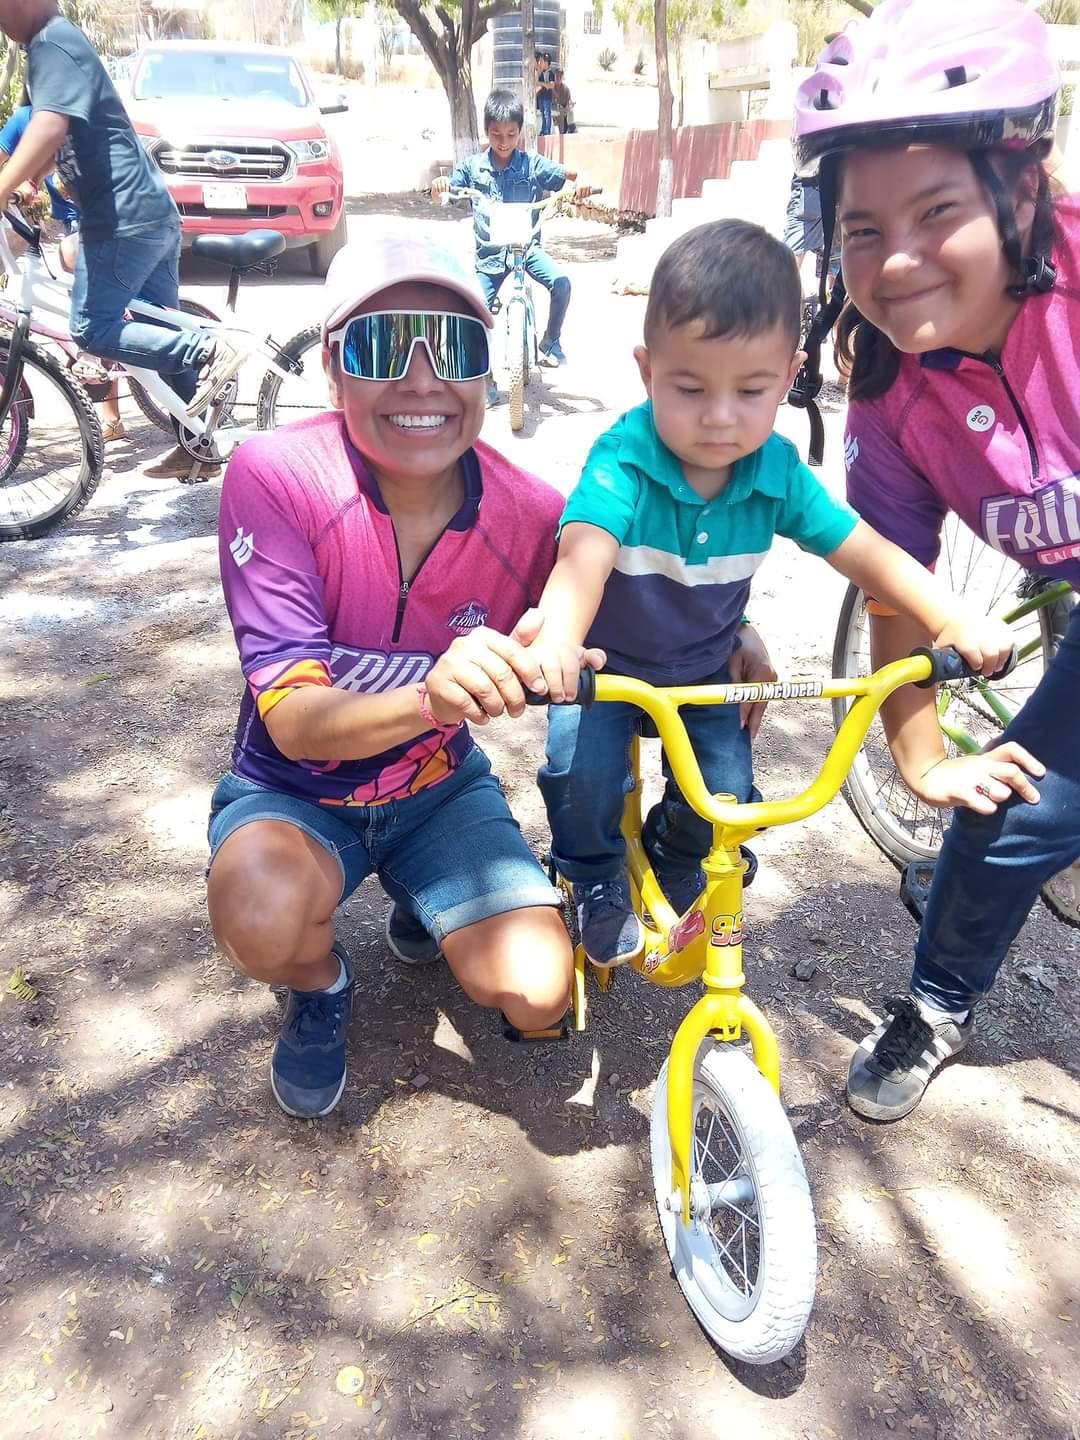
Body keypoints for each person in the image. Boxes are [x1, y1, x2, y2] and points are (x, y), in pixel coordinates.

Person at [523, 218, 1014, 968]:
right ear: (647, 369)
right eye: (689, 388)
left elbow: (869, 554)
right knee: (576, 773)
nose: (720, 417)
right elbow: (581, 560)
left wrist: (949, 617)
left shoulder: (776, 472)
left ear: (789, 376)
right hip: (606, 669)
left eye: (751, 390)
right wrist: (558, 641)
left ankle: (671, 847)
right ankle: (592, 878)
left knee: (730, 794)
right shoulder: (623, 461)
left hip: (703, 671)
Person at [205, 224, 598, 1120]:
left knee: (540, 989)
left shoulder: (535, 511)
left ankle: (424, 900)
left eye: (454, 344)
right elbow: (296, 721)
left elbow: (616, 583)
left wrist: (732, 631)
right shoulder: (276, 475)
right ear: (333, 368)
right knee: (262, 917)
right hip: (294, 791)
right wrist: (429, 696)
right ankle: (321, 985)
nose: (422, 379)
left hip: (436, 790)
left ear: (485, 371)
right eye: (384, 346)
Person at [792, 0, 1080, 1122]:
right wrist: (916, 757)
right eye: (861, 228)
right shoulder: (891, 389)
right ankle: (937, 1004)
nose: (896, 260)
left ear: (1023, 193)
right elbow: (894, 585)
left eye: (938, 211)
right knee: (1013, 814)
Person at [0, 0, 239, 479]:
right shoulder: (50, 46)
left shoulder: (52, 42)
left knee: (92, 328)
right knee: (161, 335)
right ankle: (201, 444)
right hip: (149, 214)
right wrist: (32, 179)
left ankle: (208, 350)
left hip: (120, 217)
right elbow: (64, 136)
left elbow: (50, 126)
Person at [0, 101, 125, 444]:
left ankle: (110, 414)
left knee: (88, 303)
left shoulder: (82, 121)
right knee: (78, 300)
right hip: (73, 226)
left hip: (106, 225)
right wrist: (21, 183)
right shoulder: (24, 120)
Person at [431, 88, 576, 380]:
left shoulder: (531, 164)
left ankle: (550, 341)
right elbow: (446, 191)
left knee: (562, 284)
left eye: (511, 134)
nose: (504, 141)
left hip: (527, 250)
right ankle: (484, 379)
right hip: (490, 255)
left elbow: (568, 177)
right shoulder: (473, 168)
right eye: (496, 134)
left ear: (520, 132)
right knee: (472, 315)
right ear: (487, 131)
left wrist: (578, 184)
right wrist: (440, 186)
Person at [536, 51, 555, 137]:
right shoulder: (541, 73)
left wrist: (542, 83)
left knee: (547, 113)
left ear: (546, 62)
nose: (540, 63)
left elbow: (551, 85)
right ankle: (543, 130)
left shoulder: (551, 73)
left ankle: (547, 130)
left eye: (542, 61)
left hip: (547, 97)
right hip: (541, 96)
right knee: (543, 113)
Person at [553, 69, 576, 135]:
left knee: (570, 112)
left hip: (563, 110)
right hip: (554, 110)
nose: (558, 78)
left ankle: (572, 129)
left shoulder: (565, 89)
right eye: (557, 76)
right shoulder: (551, 87)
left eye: (560, 77)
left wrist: (568, 107)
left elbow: (568, 101)